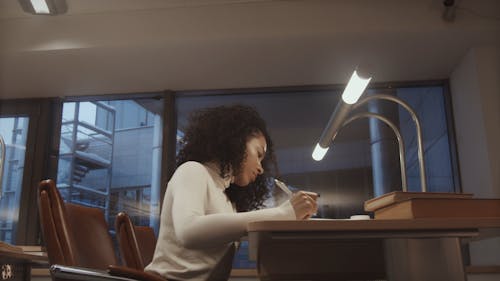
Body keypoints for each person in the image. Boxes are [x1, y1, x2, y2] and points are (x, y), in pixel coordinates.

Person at [145, 104, 318, 281]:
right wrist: (283, 213)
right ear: (236, 141)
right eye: (258, 154)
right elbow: (189, 232)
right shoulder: (192, 171)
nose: (260, 168)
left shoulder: (228, 200)